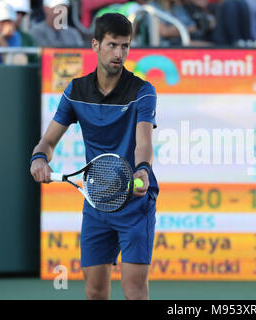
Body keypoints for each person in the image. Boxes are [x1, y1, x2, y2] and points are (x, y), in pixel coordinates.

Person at [30, 13, 159, 300]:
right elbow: (47, 142)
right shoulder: (75, 91)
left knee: (135, 289)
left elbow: (144, 142)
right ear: (95, 45)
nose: (119, 53)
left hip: (135, 202)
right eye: (112, 45)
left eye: (125, 46)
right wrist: (39, 159)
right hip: (97, 200)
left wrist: (142, 170)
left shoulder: (142, 91)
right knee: (95, 291)